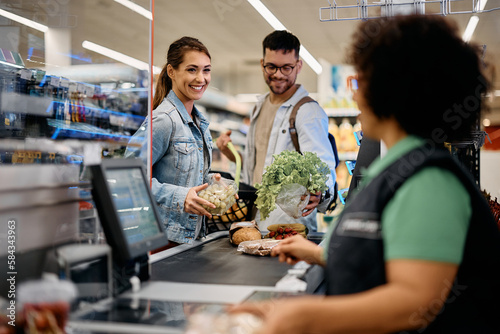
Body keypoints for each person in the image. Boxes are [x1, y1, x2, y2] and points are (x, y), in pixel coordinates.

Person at [229, 15, 500, 333]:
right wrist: (318, 253)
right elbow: (389, 256)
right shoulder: (402, 166)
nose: (355, 95)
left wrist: (303, 317)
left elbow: (417, 302)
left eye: (363, 82)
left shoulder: (429, 180)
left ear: (394, 90)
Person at [216, 30, 337, 232]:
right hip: (254, 220)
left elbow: (323, 166)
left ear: (298, 66)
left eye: (286, 67)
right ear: (262, 63)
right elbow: (260, 167)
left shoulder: (308, 112)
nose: (278, 74)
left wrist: (319, 192)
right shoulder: (259, 106)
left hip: (289, 226)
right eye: (271, 66)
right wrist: (232, 154)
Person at [126, 36, 219, 246]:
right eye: (192, 69)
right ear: (171, 71)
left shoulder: (199, 121)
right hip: (163, 240)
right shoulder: (163, 120)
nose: (201, 78)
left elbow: (181, 175)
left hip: (190, 239)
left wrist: (210, 182)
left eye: (206, 70)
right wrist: (180, 196)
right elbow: (130, 177)